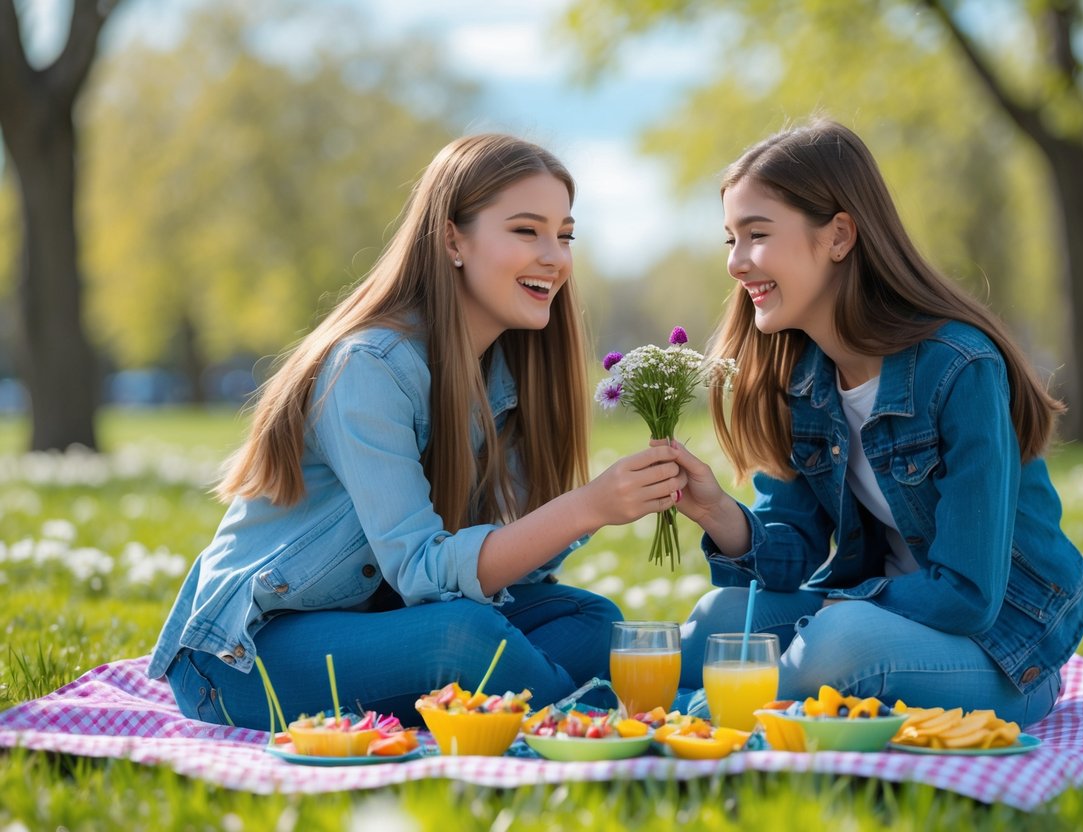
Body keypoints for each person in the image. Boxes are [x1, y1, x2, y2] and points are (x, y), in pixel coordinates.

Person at [147, 134, 686, 730]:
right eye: (527, 231)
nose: (555, 257)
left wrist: (595, 506)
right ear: (454, 239)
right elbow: (425, 575)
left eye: (565, 235)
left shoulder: (510, 374)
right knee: (464, 638)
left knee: (594, 623)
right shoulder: (370, 367)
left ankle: (500, 706)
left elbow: (501, 575)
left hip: (385, 624)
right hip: (241, 661)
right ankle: (610, 725)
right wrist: (588, 508)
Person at [667, 118, 1083, 726]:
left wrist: (828, 611)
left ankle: (707, 714)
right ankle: (680, 701)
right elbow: (791, 554)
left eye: (756, 235)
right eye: (730, 240)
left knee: (839, 641)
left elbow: (968, 596)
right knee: (718, 617)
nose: (736, 263)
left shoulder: (958, 367)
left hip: (1000, 653)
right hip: (880, 614)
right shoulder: (808, 378)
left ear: (839, 235)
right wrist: (717, 512)